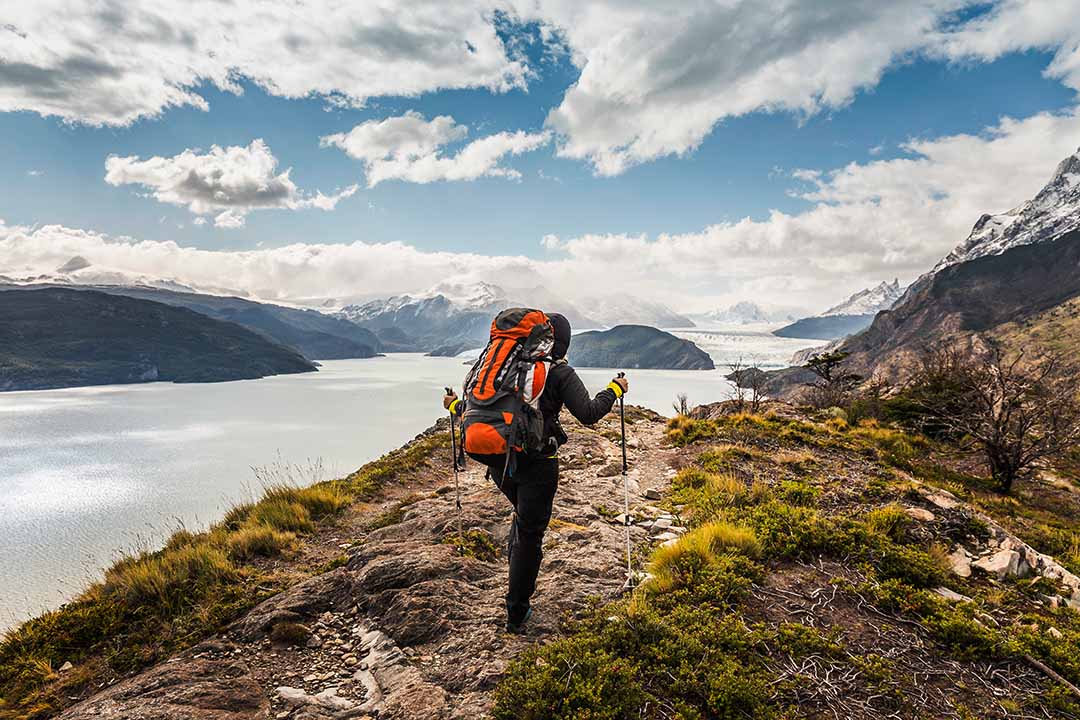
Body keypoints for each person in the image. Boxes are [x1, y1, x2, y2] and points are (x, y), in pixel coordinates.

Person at [442, 313, 629, 633]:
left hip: (498, 460)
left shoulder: (503, 368)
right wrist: (615, 388)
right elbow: (589, 413)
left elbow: (483, 410)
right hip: (538, 463)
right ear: (563, 342)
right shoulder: (558, 372)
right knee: (530, 532)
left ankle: (517, 574)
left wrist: (453, 406)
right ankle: (517, 612)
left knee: (523, 519)